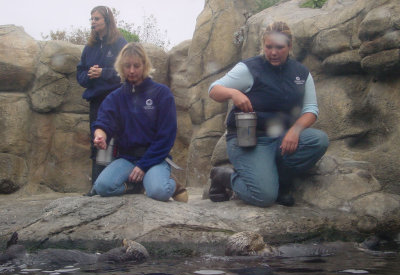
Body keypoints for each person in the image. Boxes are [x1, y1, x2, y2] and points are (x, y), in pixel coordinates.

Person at [208, 21, 329, 207]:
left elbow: (311, 109)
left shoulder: (301, 73)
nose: (273, 52)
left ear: (289, 46)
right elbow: (214, 90)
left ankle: (279, 181)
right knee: (264, 196)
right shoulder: (249, 68)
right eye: (269, 47)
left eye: (280, 47)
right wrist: (233, 93)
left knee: (318, 140)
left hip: (282, 137)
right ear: (263, 45)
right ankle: (224, 176)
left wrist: (296, 130)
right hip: (250, 139)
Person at [91, 42, 188, 202]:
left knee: (158, 191)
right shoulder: (115, 97)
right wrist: (99, 136)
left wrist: (143, 166)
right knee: (102, 187)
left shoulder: (162, 94)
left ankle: (172, 185)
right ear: (121, 67)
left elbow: (166, 137)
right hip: (127, 157)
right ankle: (136, 186)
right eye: (127, 66)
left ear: (145, 65)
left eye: (136, 65)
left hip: (156, 157)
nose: (131, 70)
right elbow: (103, 123)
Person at [76, 6, 127, 195]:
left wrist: (103, 73)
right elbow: (80, 73)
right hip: (96, 102)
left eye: (96, 18)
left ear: (107, 20)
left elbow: (126, 72)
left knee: (114, 143)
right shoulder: (89, 47)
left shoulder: (119, 43)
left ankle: (112, 184)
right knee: (96, 142)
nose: (93, 22)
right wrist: (89, 75)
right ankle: (96, 187)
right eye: (91, 18)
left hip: (115, 101)